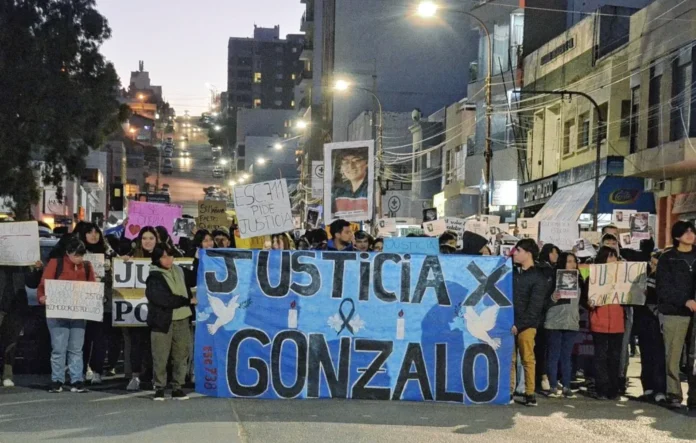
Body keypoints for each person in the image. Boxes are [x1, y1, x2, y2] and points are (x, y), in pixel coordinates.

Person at [38, 237, 96, 393]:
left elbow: (92, 286)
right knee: (59, 348)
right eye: (76, 255)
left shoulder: (87, 266)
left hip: (78, 313)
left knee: (76, 348)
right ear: (68, 253)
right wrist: (42, 297)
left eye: (81, 255)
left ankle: (76, 380)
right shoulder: (56, 264)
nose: (79, 259)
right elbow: (44, 284)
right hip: (58, 313)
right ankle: (57, 380)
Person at [146, 243, 196, 401]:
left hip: (182, 318)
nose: (168, 260)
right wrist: (187, 300)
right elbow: (163, 299)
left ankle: (177, 387)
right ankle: (159, 387)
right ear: (157, 259)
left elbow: (195, 278)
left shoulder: (180, 270)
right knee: (160, 356)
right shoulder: (154, 277)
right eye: (164, 257)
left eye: (170, 256)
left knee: (181, 354)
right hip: (162, 321)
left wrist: (198, 260)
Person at [657, 221, 696, 410]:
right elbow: (663, 287)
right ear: (677, 236)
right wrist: (684, 301)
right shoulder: (668, 258)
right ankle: (673, 393)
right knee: (673, 355)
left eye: (692, 231)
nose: (690, 234)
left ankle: (694, 396)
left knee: (694, 358)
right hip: (674, 313)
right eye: (685, 232)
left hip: (694, 314)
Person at [510, 238, 549, 406]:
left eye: (518, 250)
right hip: (510, 323)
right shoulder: (512, 273)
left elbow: (535, 308)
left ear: (528, 253)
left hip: (526, 325)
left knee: (527, 358)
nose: (514, 253)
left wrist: (518, 325)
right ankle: (509, 391)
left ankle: (530, 393)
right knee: (510, 359)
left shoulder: (538, 278)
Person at [78, 223, 115, 385]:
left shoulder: (108, 253)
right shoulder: (78, 252)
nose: (94, 235)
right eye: (89, 232)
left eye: (96, 232)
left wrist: (110, 269)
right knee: (83, 338)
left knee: (100, 339)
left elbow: (118, 276)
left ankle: (97, 370)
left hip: (102, 302)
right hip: (82, 301)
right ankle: (81, 369)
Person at [124, 226, 160, 391]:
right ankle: (135, 376)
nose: (148, 241)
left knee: (154, 346)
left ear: (157, 240)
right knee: (137, 344)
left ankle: (151, 377)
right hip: (136, 310)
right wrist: (122, 262)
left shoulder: (164, 257)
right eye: (144, 238)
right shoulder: (132, 256)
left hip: (156, 310)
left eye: (151, 238)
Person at [544, 252, 582, 399]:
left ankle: (566, 386)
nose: (572, 264)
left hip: (571, 322)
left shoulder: (580, 280)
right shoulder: (553, 279)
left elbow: (583, 301)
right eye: (569, 261)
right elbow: (544, 302)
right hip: (554, 321)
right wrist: (553, 297)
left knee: (566, 356)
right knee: (554, 355)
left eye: (574, 261)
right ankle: (553, 386)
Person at [589, 246, 625, 400]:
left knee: (615, 357)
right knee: (601, 357)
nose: (613, 260)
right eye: (610, 256)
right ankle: (602, 389)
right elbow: (587, 299)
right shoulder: (594, 276)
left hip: (617, 323)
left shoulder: (623, 277)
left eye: (615, 256)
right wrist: (590, 303)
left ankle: (613, 389)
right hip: (600, 322)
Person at [635, 251, 666, 403]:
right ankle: (648, 388)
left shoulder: (665, 277)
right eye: (651, 263)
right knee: (646, 355)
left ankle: (660, 390)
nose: (653, 267)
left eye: (656, 264)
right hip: (644, 320)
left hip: (657, 320)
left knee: (658, 356)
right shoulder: (644, 276)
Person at [331, 150, 368, 216]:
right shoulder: (338, 192)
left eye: (356, 161)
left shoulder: (373, 188)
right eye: (346, 162)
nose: (351, 166)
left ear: (367, 163)